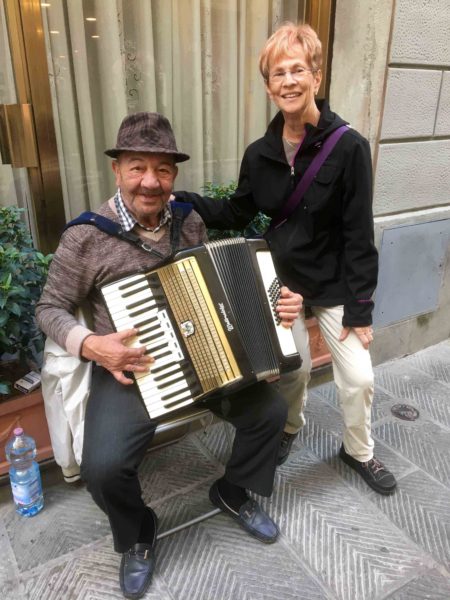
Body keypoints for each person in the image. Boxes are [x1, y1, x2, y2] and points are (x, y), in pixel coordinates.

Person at [36, 112, 302, 600]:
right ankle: (138, 532)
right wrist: (92, 345)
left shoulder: (189, 219)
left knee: (271, 412)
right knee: (103, 467)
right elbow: (49, 308)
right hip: (132, 371)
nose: (150, 182)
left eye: (162, 170)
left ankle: (233, 490)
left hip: (206, 360)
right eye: (137, 167)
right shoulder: (86, 236)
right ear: (117, 170)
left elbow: (219, 288)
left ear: (173, 175)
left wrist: (276, 304)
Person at [174, 23, 397, 495]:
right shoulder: (260, 155)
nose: (289, 81)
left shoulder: (349, 146)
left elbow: (359, 234)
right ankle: (290, 427)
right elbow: (238, 210)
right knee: (291, 368)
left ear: (316, 76)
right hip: (283, 281)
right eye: (279, 73)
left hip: (336, 282)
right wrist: (183, 199)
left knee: (358, 378)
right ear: (268, 85)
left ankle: (359, 451)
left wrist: (360, 309)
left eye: (298, 70)